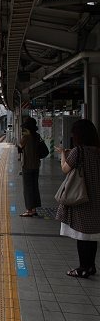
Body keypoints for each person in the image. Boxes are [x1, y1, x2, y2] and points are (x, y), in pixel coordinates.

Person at [55, 119, 100, 278]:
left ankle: (82, 268)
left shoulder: (78, 151)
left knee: (82, 235)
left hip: (81, 196)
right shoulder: (97, 150)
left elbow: (65, 169)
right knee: (92, 235)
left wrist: (62, 153)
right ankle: (91, 267)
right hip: (96, 196)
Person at [17, 116, 42, 217]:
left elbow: (19, 147)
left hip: (27, 165)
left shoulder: (26, 137)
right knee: (34, 187)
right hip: (36, 165)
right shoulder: (37, 136)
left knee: (27, 188)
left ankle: (29, 210)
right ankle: (34, 209)